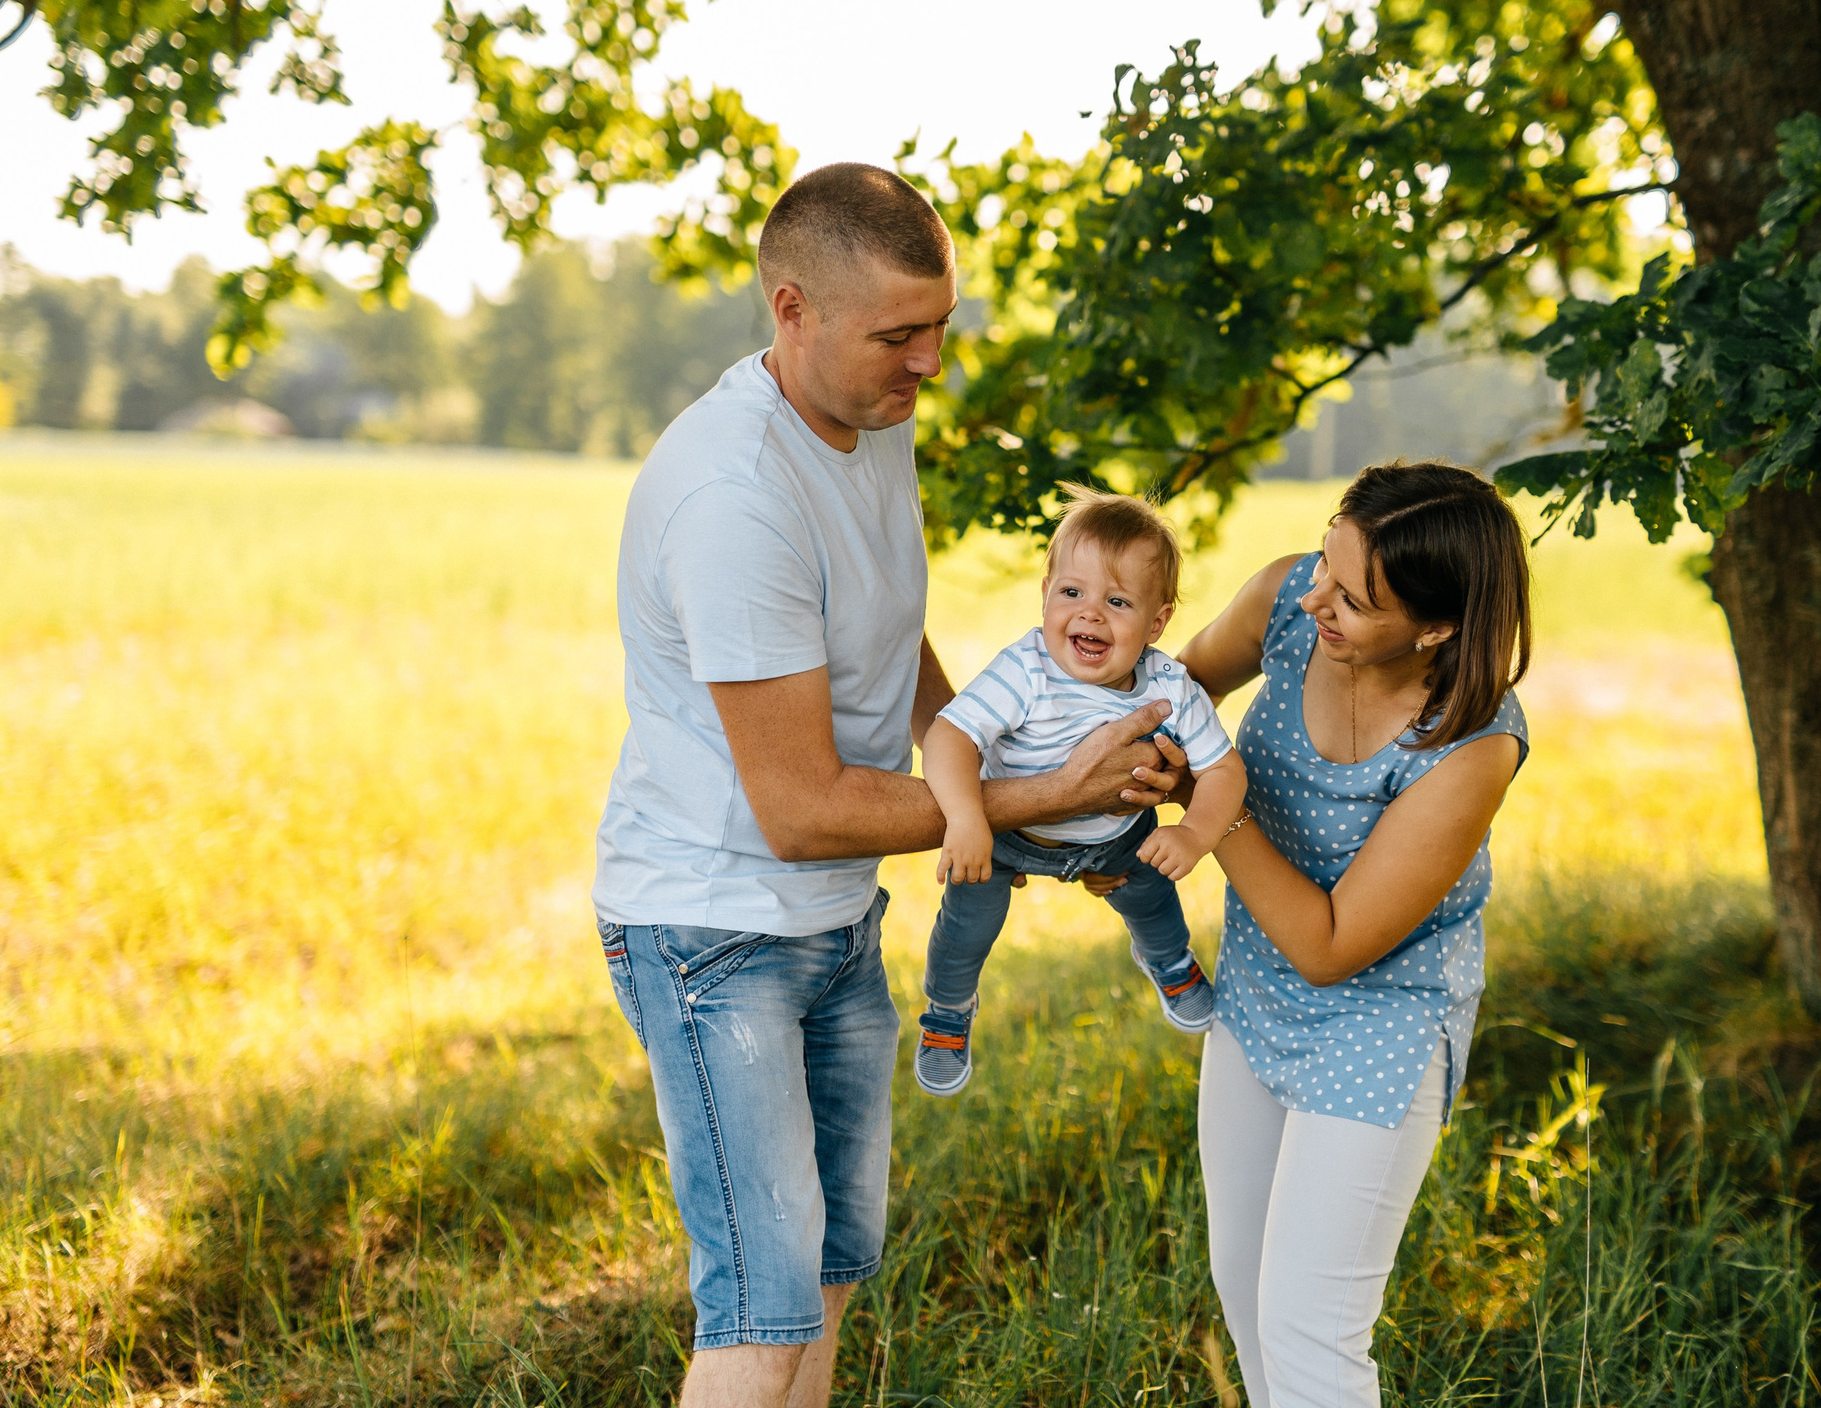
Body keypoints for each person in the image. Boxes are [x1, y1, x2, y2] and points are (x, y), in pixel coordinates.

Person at [591, 163, 1182, 1408]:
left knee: (833, 1271)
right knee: (759, 1307)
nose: (926, 365)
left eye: (939, 330)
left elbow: (885, 631)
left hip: (833, 923)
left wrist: (1036, 764)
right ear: (791, 306)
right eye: (897, 335)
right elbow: (799, 809)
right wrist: (1025, 801)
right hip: (714, 928)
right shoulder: (734, 496)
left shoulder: (867, 420)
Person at [1170, 461, 1534, 1408]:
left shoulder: (1473, 741)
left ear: (1438, 625)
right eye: (1326, 564)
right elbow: (1166, 696)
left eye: (1356, 599)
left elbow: (1333, 945)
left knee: (1311, 1327)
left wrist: (1212, 808)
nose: (1317, 600)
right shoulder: (1292, 598)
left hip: (1381, 1017)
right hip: (1255, 991)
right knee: (1245, 1293)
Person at [914, 485, 1250, 1096]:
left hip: (1115, 835)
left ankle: (1168, 960)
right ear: (1045, 594)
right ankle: (946, 1011)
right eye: (1072, 593)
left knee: (1152, 890)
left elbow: (1225, 770)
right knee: (966, 924)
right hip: (1009, 834)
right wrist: (966, 820)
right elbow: (948, 736)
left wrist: (1195, 834)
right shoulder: (1026, 670)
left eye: (1117, 601)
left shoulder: (1169, 687)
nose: (1090, 614)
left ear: (1158, 621)